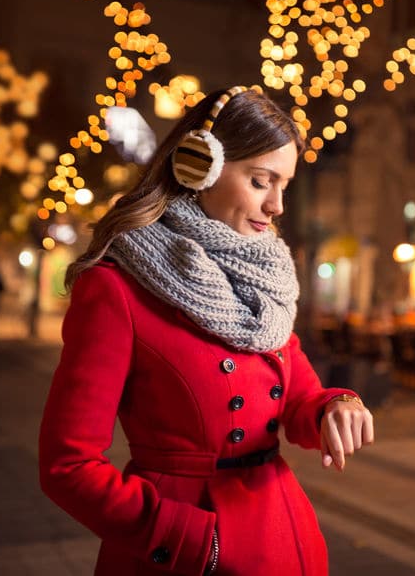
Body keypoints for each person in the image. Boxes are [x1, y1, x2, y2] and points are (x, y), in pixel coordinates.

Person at [39, 86, 375, 576]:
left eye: (284, 184)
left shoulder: (265, 279)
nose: (277, 204)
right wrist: (190, 540)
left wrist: (335, 407)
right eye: (261, 181)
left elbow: (299, 396)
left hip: (282, 537)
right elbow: (67, 466)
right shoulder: (116, 287)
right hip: (183, 552)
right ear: (201, 167)